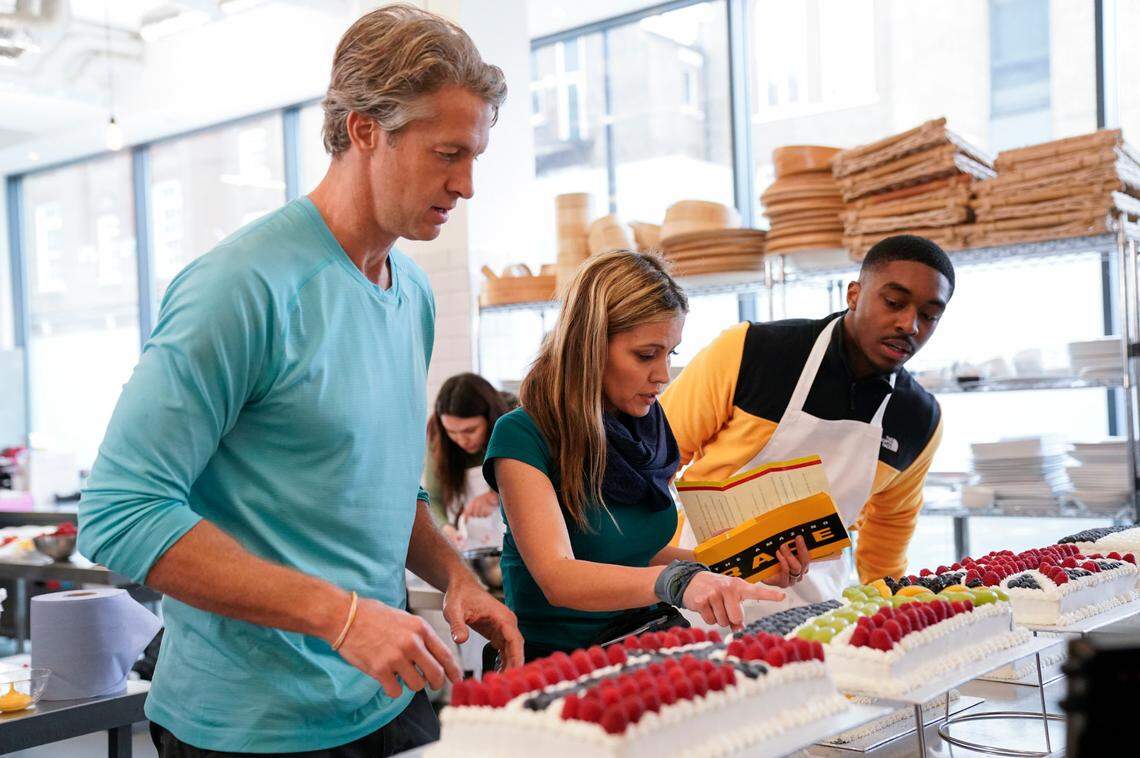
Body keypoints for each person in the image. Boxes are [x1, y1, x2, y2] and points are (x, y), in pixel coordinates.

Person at [77, 6, 522, 756]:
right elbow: (119, 512)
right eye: (448, 153)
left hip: (385, 700)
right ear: (363, 129)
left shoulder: (409, 294)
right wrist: (342, 617)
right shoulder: (241, 287)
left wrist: (453, 576)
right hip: (249, 727)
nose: (467, 184)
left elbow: (379, 489)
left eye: (475, 156)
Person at [484, 250, 802, 660]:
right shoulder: (523, 437)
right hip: (563, 665)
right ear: (589, 346)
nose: (663, 375)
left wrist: (739, 569)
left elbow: (634, 550)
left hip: (649, 642)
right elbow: (558, 576)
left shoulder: (647, 430)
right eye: (645, 355)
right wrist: (679, 580)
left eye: (670, 354)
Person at [661, 234, 952, 607]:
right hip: (697, 592)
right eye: (894, 302)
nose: (910, 324)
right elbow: (653, 461)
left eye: (929, 315)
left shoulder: (918, 420)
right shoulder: (753, 352)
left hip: (813, 612)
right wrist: (658, 570)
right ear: (854, 294)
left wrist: (893, 618)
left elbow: (887, 538)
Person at [423, 373, 514, 545]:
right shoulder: (437, 435)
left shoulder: (512, 422)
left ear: (490, 418)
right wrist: (445, 528)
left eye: (469, 431)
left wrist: (495, 496)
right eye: (452, 432)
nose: (461, 440)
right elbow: (433, 498)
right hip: (474, 543)